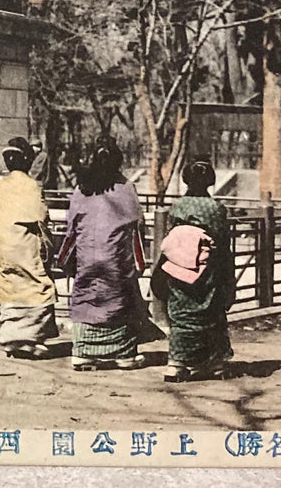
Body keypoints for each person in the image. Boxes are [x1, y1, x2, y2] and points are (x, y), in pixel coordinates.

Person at [55, 143, 149, 371]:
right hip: (116, 264)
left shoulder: (81, 189)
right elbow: (137, 229)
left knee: (85, 296)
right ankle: (124, 353)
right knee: (123, 295)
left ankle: (83, 351)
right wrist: (139, 264)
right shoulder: (127, 189)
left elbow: (71, 231)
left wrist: (65, 262)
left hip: (86, 260)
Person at [154, 158, 236, 382]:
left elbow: (172, 235)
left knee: (181, 310)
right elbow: (222, 242)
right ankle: (214, 361)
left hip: (179, 265)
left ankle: (177, 362)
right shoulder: (217, 209)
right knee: (210, 311)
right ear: (210, 181)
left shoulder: (177, 207)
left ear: (186, 179)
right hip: (207, 267)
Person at [0, 137, 57, 359]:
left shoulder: (4, 184)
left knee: (10, 285)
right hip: (24, 243)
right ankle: (30, 337)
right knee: (37, 285)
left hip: (3, 244)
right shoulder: (31, 186)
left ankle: (11, 337)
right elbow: (40, 216)